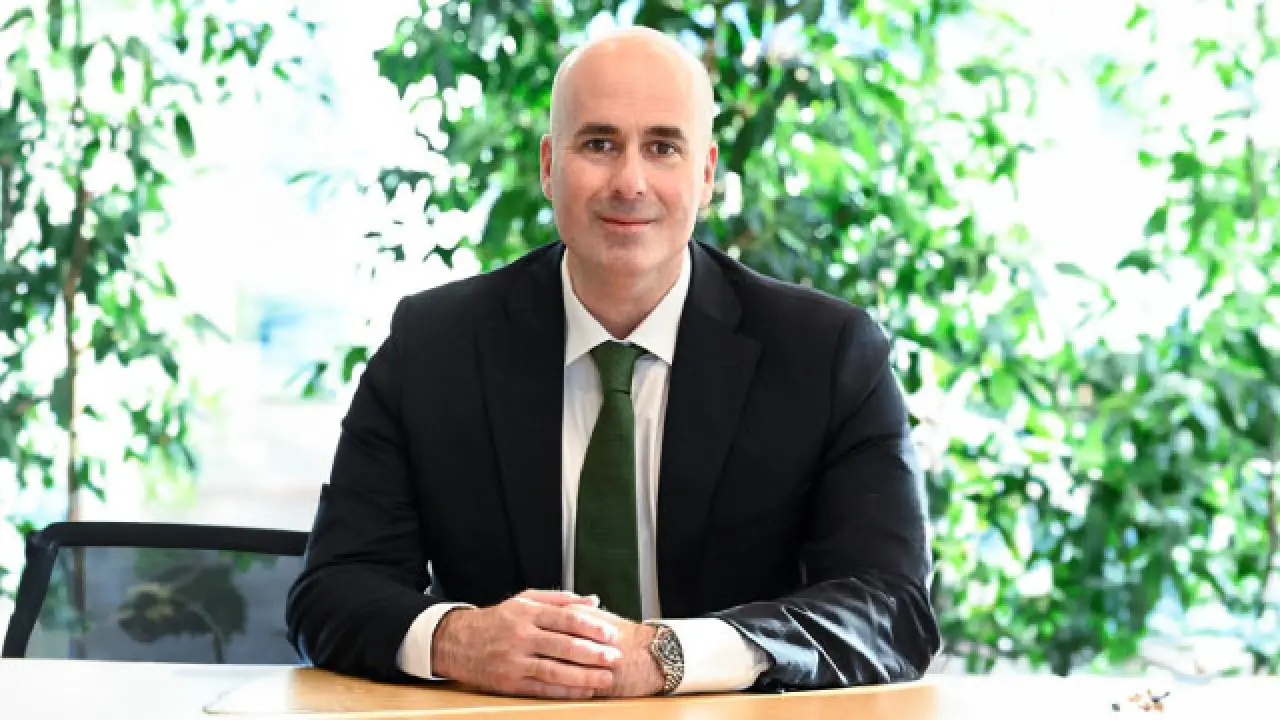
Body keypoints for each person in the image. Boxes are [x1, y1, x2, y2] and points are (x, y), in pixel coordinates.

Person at [285, 26, 941, 699]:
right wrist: (460, 638)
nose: (629, 182)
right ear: (549, 166)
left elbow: (891, 611)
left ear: (706, 174)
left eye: (663, 147)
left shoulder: (828, 355)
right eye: (599, 144)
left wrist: (669, 654)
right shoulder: (432, 347)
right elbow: (331, 590)